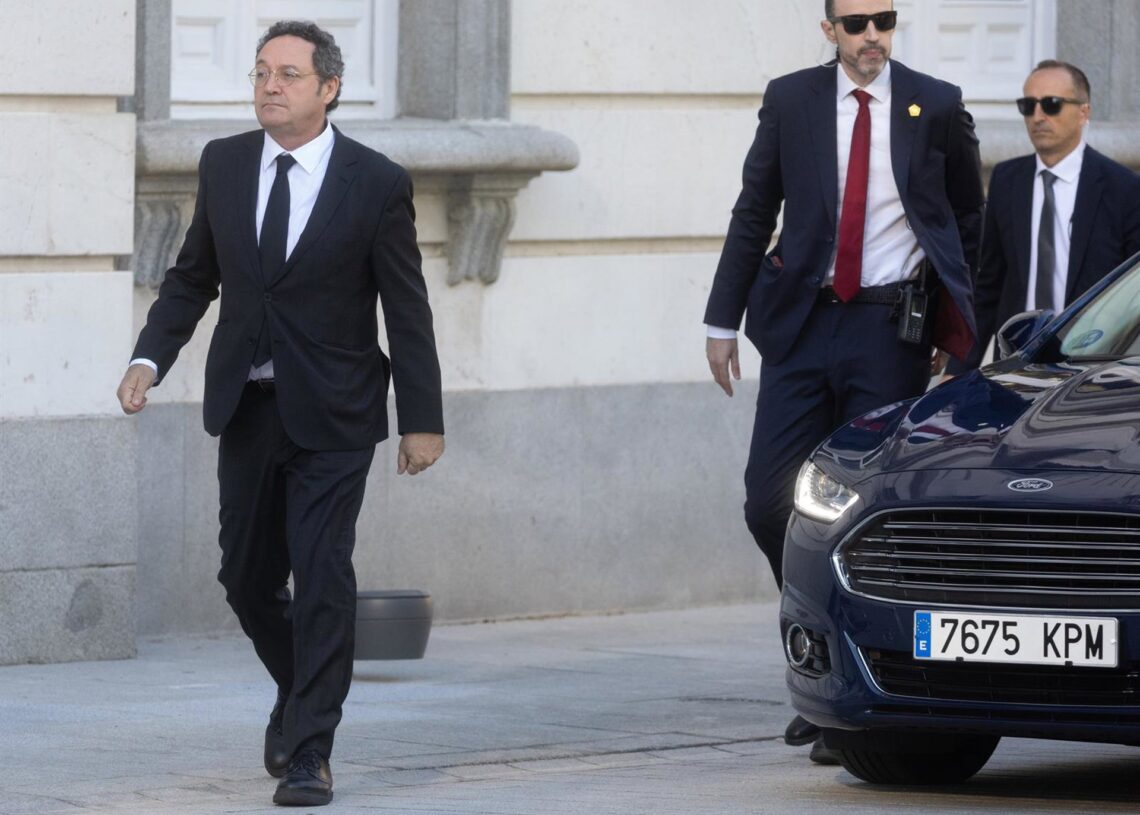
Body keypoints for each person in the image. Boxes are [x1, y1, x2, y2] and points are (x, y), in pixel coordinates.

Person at [115, 21, 444, 807]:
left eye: (288, 74)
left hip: (336, 413)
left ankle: (310, 751)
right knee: (245, 574)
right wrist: (147, 357)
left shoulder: (375, 181)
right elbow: (195, 277)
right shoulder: (225, 164)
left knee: (322, 570)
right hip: (249, 406)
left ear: (328, 89)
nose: (269, 86)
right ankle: (301, 690)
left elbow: (407, 307)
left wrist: (422, 418)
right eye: (262, 71)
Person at [703, 0, 983, 762]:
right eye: (856, 23)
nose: (872, 37)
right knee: (770, 501)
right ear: (828, 30)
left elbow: (967, 214)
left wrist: (962, 331)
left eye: (884, 20)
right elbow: (755, 205)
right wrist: (721, 319)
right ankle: (820, 652)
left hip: (888, 331)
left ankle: (846, 697)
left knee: (864, 511)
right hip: (800, 324)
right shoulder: (792, 98)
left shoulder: (936, 104)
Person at [946, 60, 1140, 374]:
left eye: (1051, 105)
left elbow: (1133, 295)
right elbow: (988, 286)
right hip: (1016, 360)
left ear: (1083, 112)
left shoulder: (1123, 188)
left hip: (1093, 363)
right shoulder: (1007, 180)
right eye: (1028, 105)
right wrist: (956, 370)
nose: (1038, 116)